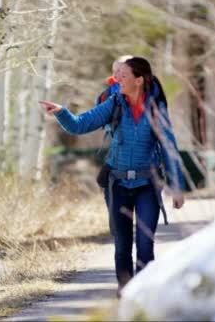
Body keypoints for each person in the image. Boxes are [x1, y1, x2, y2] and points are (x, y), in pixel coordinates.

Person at [39, 56, 185, 297]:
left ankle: (144, 294)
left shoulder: (156, 109)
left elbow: (169, 147)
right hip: (117, 183)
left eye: (123, 76)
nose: (117, 80)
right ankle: (126, 292)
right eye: (116, 76)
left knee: (146, 243)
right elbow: (79, 124)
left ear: (138, 80)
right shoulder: (114, 103)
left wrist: (177, 187)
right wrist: (62, 112)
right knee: (122, 244)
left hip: (148, 184)